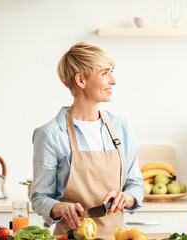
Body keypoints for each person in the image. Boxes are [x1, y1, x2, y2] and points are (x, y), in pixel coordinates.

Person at [31, 42, 144, 235]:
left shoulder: (120, 127)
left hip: (118, 236)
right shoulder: (50, 134)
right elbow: (40, 197)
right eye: (105, 73)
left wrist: (126, 197)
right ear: (81, 81)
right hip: (71, 236)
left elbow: (135, 184)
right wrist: (60, 208)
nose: (113, 80)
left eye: (112, 71)